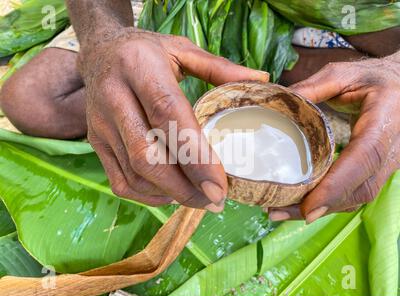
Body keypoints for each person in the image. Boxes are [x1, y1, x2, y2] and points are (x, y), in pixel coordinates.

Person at [0, 0, 399, 223]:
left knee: (370, 116)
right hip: (204, 7)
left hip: (360, 18)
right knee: (32, 99)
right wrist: (105, 37)